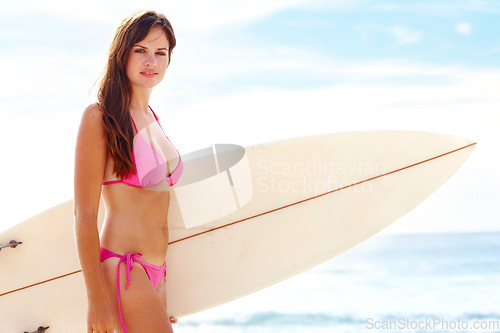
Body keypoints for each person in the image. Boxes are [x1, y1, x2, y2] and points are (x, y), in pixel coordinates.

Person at [74, 10, 181, 333]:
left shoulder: (152, 117)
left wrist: (162, 289)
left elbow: (160, 214)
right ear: (122, 54)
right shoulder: (100, 118)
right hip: (124, 268)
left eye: (160, 53)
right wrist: (96, 299)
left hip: (155, 273)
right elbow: (85, 212)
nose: (151, 61)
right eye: (141, 50)